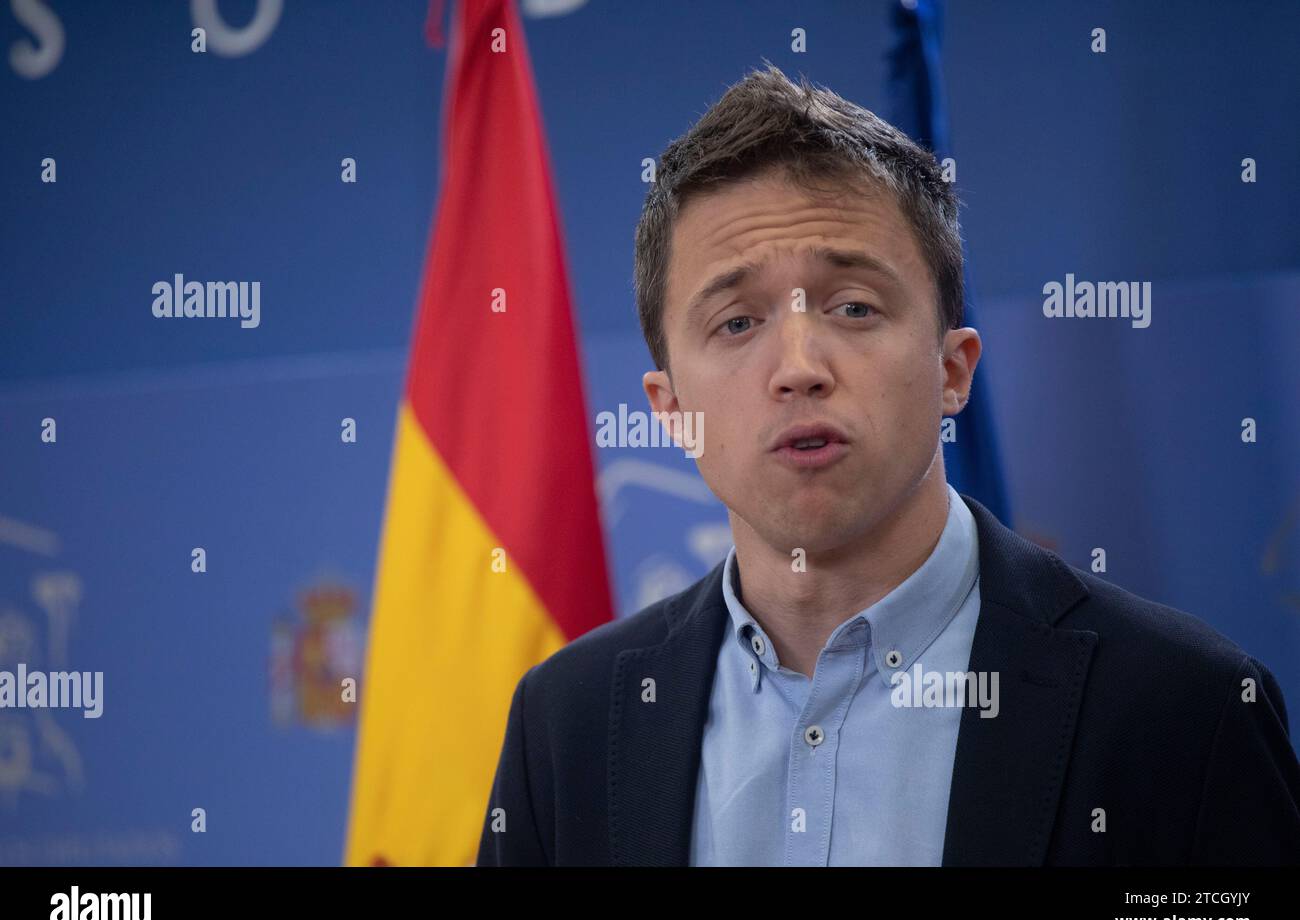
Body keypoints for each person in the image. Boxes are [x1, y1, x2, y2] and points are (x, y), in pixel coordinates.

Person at [477, 64, 1300, 866]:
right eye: (736, 322)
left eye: (854, 307)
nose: (798, 365)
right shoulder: (565, 725)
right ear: (668, 409)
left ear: (952, 370)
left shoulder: (1186, 711)